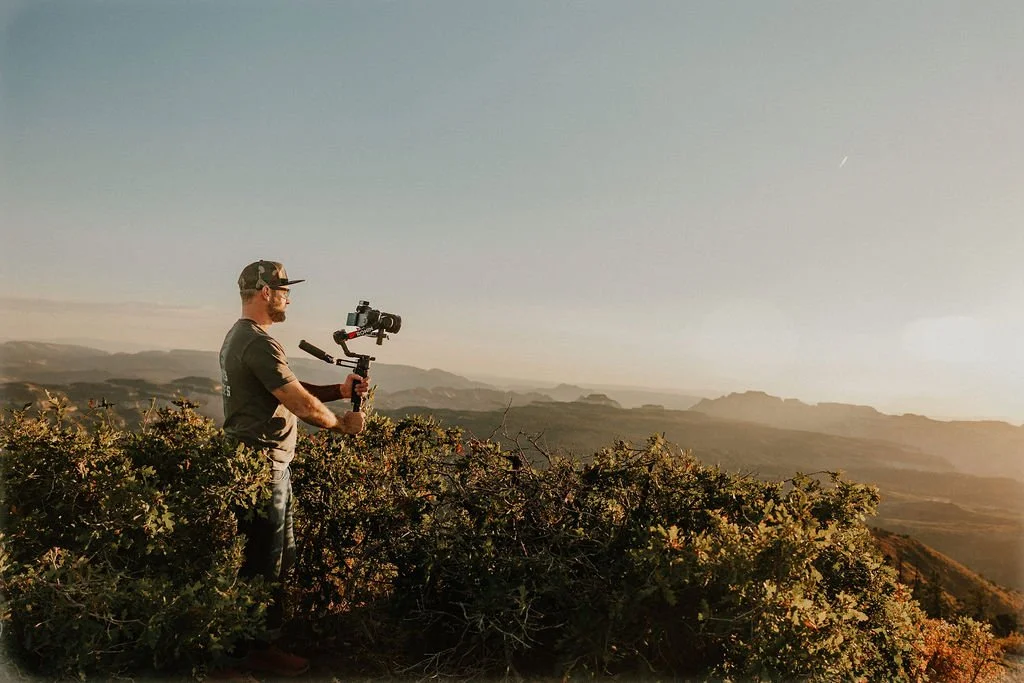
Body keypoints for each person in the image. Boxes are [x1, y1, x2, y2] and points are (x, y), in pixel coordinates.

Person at [215, 259, 368, 680]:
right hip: (262, 467)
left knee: (273, 557)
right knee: (262, 561)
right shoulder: (257, 341)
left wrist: (339, 391)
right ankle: (251, 650)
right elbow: (300, 404)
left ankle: (257, 641)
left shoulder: (243, 336)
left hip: (265, 465)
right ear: (264, 291)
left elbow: (287, 391)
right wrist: (342, 423)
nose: (288, 297)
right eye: (283, 289)